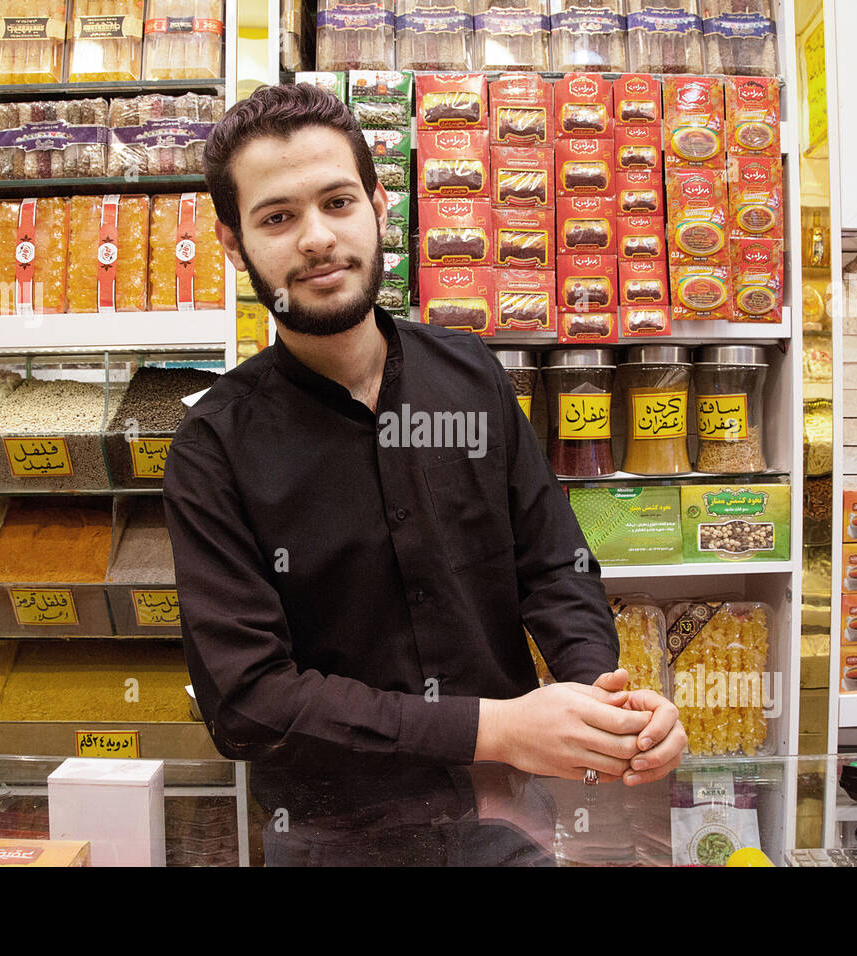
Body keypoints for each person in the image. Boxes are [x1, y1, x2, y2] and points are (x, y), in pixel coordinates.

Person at [164, 82, 686, 798]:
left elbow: (554, 566)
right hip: (333, 830)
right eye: (278, 216)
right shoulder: (212, 447)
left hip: (508, 808)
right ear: (233, 243)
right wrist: (494, 730)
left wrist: (603, 699)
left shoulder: (471, 374)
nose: (317, 237)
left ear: (381, 209)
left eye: (338, 202)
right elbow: (250, 703)